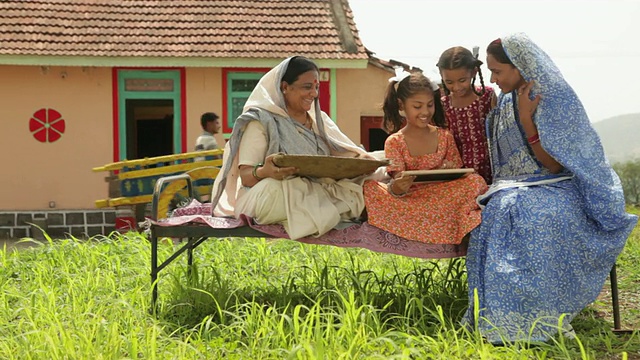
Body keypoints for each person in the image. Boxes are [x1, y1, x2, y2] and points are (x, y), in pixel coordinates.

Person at [464, 33, 638, 344]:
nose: (493, 78)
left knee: (535, 215)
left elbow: (555, 166)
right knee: (497, 213)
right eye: (490, 71)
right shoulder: (504, 100)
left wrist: (528, 121)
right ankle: (507, 315)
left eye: (498, 71)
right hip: (513, 186)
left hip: (557, 185)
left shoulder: (551, 97)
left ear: (518, 67)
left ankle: (550, 315)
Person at [210, 56, 374, 240]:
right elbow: (246, 177)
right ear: (284, 87)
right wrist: (266, 171)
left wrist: (363, 161)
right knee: (281, 189)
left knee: (374, 175)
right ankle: (330, 210)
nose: (314, 93)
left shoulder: (320, 120)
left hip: (316, 189)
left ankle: (323, 210)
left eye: (316, 87)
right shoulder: (261, 121)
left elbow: (343, 154)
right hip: (271, 194)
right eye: (307, 87)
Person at [363, 69, 488, 244]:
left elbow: (461, 174)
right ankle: (442, 223)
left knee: (476, 182)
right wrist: (399, 186)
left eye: (430, 105)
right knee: (370, 188)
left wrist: (450, 169)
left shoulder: (444, 136)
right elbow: (396, 186)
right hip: (413, 199)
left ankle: (441, 222)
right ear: (401, 105)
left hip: (444, 195)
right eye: (417, 106)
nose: (425, 112)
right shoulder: (394, 141)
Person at [437, 46, 496, 184]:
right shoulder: (443, 104)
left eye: (462, 80)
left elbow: (499, 132)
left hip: (491, 168)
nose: (456, 87)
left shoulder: (487, 96)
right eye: (449, 82)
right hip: (458, 172)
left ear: (474, 72)